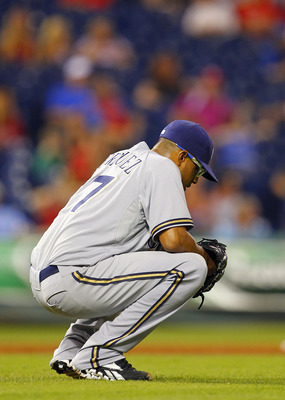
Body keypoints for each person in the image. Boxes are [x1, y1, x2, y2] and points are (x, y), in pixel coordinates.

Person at [30, 120, 218, 381]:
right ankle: (100, 355)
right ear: (182, 156)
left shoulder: (122, 157)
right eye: (197, 170)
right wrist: (204, 257)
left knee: (136, 267)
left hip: (47, 272)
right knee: (191, 267)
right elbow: (174, 240)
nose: (196, 180)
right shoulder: (163, 166)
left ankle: (71, 351)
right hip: (73, 277)